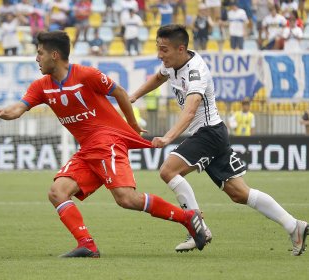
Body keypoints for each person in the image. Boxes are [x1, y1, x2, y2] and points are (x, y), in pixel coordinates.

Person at [0, 30, 206, 258]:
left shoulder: (86, 75)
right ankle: (87, 245)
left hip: (107, 141)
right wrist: (3, 112)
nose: (36, 58)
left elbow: (120, 93)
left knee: (126, 198)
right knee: (57, 192)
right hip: (87, 150)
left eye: (40, 53)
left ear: (54, 55)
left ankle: (188, 217)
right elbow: (18, 108)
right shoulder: (41, 86)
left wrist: (131, 124)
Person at [130, 24, 308, 255]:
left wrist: (168, 137)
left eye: (164, 50)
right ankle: (294, 226)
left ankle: (198, 228)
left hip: (209, 132)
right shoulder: (173, 65)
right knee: (239, 193)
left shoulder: (196, 71)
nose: (159, 55)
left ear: (181, 49)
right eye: (158, 48)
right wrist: (133, 95)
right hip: (214, 134)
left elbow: (191, 109)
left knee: (168, 171)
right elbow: (158, 77)